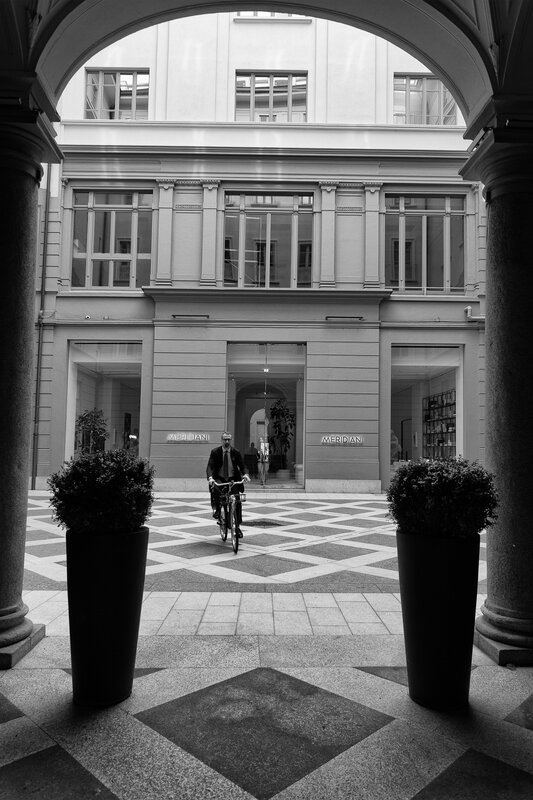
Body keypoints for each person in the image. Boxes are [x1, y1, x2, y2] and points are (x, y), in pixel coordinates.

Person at [206, 432, 250, 536]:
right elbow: (210, 466)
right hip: (220, 478)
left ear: (231, 440)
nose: (227, 442)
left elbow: (242, 466)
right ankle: (217, 510)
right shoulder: (215, 452)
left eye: (228, 440)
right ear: (221, 440)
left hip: (232, 480)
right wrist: (210, 478)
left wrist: (245, 474)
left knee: (237, 500)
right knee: (217, 490)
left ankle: (237, 527)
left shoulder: (235, 452)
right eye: (225, 439)